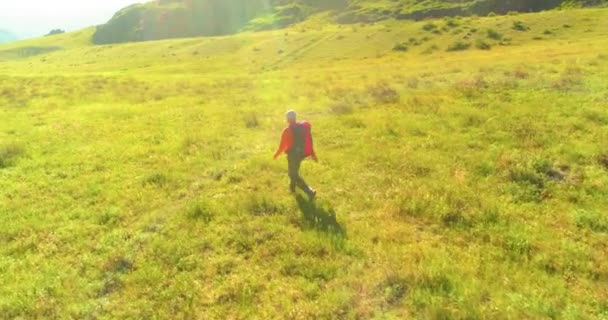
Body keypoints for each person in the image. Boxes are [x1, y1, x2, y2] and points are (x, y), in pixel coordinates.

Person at [273, 110, 317, 201]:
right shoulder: (302, 128)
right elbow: (309, 140)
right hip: (301, 154)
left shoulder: (287, 131)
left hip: (293, 155)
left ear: (287, 119)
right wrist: (313, 154)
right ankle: (292, 189)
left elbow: (281, 146)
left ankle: (309, 191)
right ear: (295, 118)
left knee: (293, 174)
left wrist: (276, 155)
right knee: (293, 171)